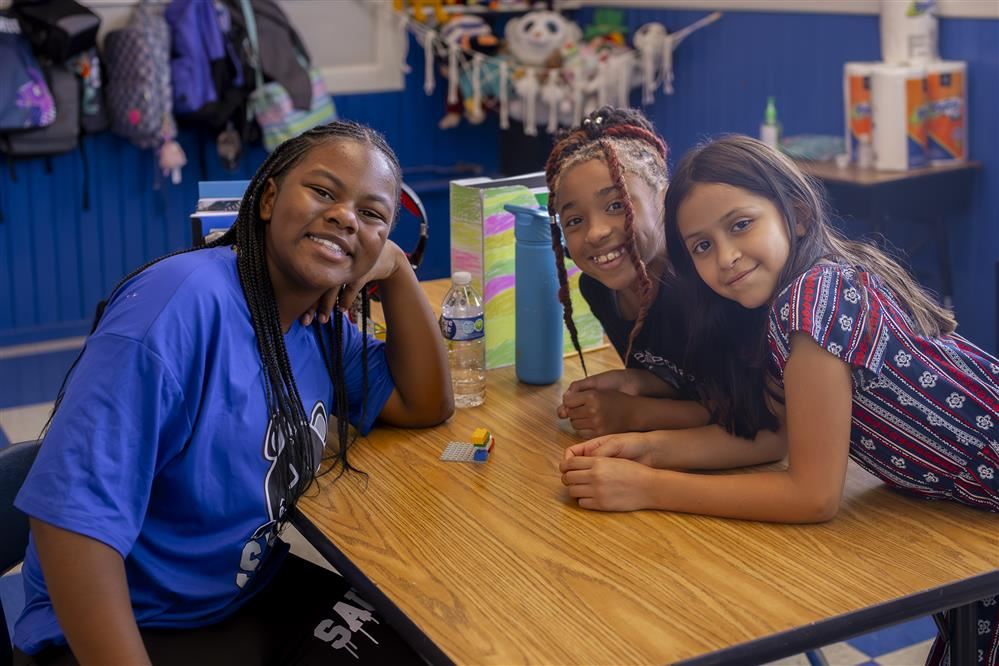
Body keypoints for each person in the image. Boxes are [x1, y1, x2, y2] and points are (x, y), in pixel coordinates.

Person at [12, 121, 453, 665]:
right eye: (322, 191)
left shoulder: (316, 320)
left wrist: (396, 271)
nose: (344, 216)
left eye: (372, 215)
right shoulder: (178, 305)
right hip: (128, 622)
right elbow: (68, 520)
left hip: (236, 597)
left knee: (426, 649)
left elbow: (424, 403)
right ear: (268, 198)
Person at [559, 134, 997, 665]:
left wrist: (647, 486)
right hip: (969, 507)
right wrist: (643, 451)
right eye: (700, 245)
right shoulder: (786, 305)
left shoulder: (816, 302)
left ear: (797, 214)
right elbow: (772, 435)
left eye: (740, 225)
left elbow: (812, 496)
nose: (725, 257)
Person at [544, 106, 709, 438]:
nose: (595, 233)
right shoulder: (599, 288)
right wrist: (634, 381)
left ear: (666, 201)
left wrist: (634, 413)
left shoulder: (703, 287)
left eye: (616, 205)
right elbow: (689, 383)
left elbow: (742, 415)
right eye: (574, 220)